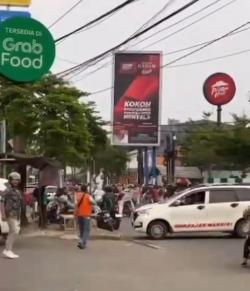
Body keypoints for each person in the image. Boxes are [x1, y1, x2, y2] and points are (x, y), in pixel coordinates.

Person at [0, 172, 22, 259]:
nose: (16, 181)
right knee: (14, 231)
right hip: (10, 214)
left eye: (17, 180)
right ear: (10, 180)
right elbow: (1, 202)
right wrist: (3, 214)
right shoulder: (8, 190)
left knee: (14, 231)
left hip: (15, 214)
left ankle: (8, 250)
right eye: (14, 179)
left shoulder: (16, 190)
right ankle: (7, 250)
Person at [75, 184, 95, 249]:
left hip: (79, 214)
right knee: (86, 230)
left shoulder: (77, 195)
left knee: (81, 229)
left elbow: (75, 204)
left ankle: (82, 243)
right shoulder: (88, 196)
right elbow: (94, 202)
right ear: (86, 189)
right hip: (86, 215)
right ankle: (82, 242)